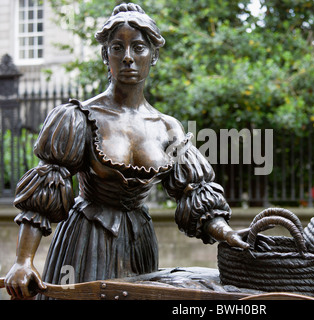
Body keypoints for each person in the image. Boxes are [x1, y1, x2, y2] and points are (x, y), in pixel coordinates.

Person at [4, 3, 248, 299]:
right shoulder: (77, 117)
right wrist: (23, 261)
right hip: (86, 240)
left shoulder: (168, 128)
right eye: (117, 48)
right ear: (106, 55)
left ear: (153, 55)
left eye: (139, 48)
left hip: (139, 243)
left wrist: (227, 232)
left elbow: (194, 194)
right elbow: (43, 194)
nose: (128, 58)